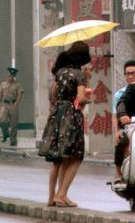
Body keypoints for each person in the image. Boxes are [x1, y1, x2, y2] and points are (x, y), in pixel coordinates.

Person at [43, 41, 92, 208]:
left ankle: (52, 197)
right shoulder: (79, 74)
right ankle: (62, 194)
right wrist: (87, 83)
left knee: (59, 159)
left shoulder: (60, 72)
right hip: (71, 115)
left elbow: (54, 94)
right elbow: (82, 98)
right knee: (76, 157)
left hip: (57, 114)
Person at [112, 60, 135, 183]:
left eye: (133, 73)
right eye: (128, 73)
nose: (130, 76)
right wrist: (116, 132)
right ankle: (118, 172)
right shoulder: (120, 94)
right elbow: (114, 114)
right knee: (120, 143)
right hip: (127, 127)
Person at [0, 66, 23, 146]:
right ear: (7, 76)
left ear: (14, 76)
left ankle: (13, 140)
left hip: (13, 104)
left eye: (13, 76)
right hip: (5, 104)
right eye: (10, 75)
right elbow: (0, 95)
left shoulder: (17, 85)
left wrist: (16, 104)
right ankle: (6, 134)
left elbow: (19, 95)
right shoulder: (3, 84)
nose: (11, 77)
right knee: (2, 120)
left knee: (14, 124)